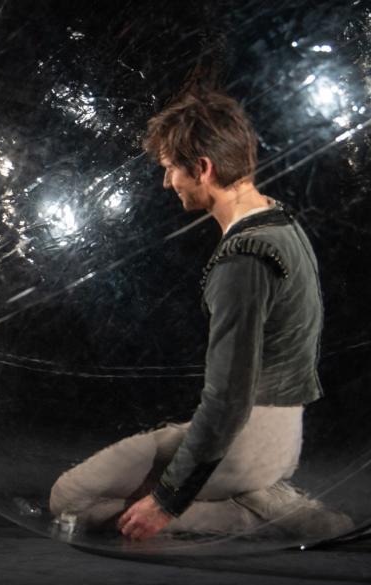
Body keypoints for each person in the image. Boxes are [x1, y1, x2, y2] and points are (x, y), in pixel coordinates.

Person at [49, 89, 352, 541]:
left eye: (171, 167)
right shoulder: (281, 221)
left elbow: (229, 399)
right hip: (282, 431)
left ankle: (259, 517)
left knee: (71, 500)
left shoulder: (244, 259)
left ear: (204, 168)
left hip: (247, 440)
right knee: (127, 481)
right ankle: (260, 495)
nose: (168, 182)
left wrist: (167, 501)